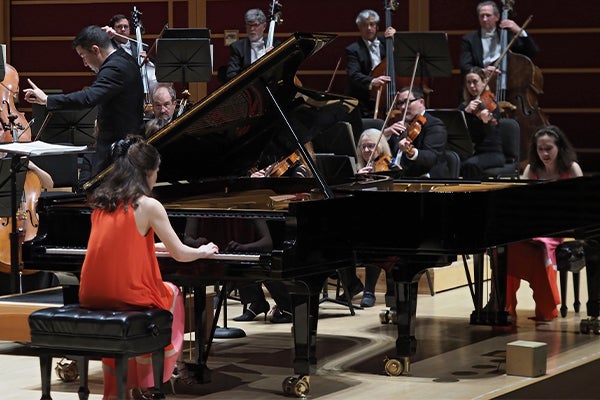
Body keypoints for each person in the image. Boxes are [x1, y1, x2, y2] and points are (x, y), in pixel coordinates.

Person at [78, 136, 219, 398]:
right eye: (156, 172)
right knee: (172, 293)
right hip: (127, 295)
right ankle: (149, 379)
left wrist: (155, 247)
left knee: (154, 298)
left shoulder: (102, 202)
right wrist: (202, 251)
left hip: (91, 294)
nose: (156, 177)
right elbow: (180, 254)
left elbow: (122, 245)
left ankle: (129, 383)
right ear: (147, 172)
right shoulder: (149, 205)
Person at [23, 25, 145, 186]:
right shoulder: (126, 59)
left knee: (106, 199)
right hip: (125, 147)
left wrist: (47, 99)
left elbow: (88, 97)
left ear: (96, 50)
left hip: (117, 152)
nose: (85, 64)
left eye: (83, 56)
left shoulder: (114, 68)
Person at [506, 125, 583, 322]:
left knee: (540, 246)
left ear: (559, 147)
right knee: (507, 248)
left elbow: (582, 203)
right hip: (534, 226)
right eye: (540, 149)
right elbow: (520, 201)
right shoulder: (532, 169)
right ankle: (505, 306)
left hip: (560, 228)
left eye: (549, 148)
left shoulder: (571, 168)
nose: (544, 153)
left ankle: (546, 307)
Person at [336, 128, 393, 307]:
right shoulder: (357, 169)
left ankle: (369, 290)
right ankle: (352, 284)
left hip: (385, 221)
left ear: (381, 147)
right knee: (337, 240)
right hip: (358, 220)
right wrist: (357, 180)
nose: (367, 150)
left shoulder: (390, 167)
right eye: (363, 147)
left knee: (374, 238)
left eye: (371, 146)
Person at [382, 87, 449, 179]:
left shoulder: (434, 125)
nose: (402, 107)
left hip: (424, 180)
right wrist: (385, 135)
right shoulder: (401, 124)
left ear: (421, 102)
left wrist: (411, 152)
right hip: (398, 177)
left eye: (407, 102)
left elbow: (431, 157)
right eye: (400, 103)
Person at [460, 1, 539, 77]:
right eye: (482, 16)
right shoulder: (469, 40)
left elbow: (532, 52)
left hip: (508, 81)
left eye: (488, 15)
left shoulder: (508, 36)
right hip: (482, 82)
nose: (484, 19)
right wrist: (483, 71)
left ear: (497, 17)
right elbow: (464, 67)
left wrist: (519, 31)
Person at [345, 9, 396, 118]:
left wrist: (396, 38)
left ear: (377, 26)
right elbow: (353, 74)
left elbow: (404, 55)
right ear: (359, 28)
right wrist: (373, 81)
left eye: (372, 24)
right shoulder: (353, 49)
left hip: (387, 94)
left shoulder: (387, 42)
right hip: (364, 99)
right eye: (364, 25)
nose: (369, 28)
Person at [459, 66, 505, 178]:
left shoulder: (492, 106)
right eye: (468, 82)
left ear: (484, 82)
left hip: (492, 153)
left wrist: (486, 122)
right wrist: (466, 113)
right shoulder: (464, 107)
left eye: (475, 82)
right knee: (450, 160)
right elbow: (459, 131)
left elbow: (491, 134)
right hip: (472, 152)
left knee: (470, 164)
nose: (471, 86)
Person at [104, 13, 158, 94]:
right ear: (113, 30)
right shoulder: (108, 47)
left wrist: (148, 62)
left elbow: (156, 67)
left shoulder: (139, 46)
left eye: (126, 27)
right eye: (119, 27)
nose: (123, 29)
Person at [225, 8, 275, 82]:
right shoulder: (238, 47)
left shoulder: (275, 45)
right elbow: (231, 74)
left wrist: (273, 58)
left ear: (264, 26)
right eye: (249, 25)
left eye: (255, 25)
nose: (252, 29)